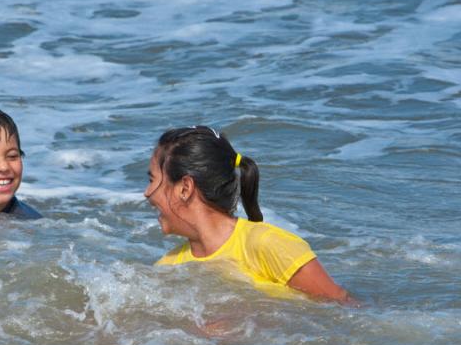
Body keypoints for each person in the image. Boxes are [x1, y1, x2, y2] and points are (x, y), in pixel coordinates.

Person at [144, 126, 350, 302]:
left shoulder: (269, 245)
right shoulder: (168, 269)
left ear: (185, 188)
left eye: (152, 180)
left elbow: (344, 309)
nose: (146, 193)